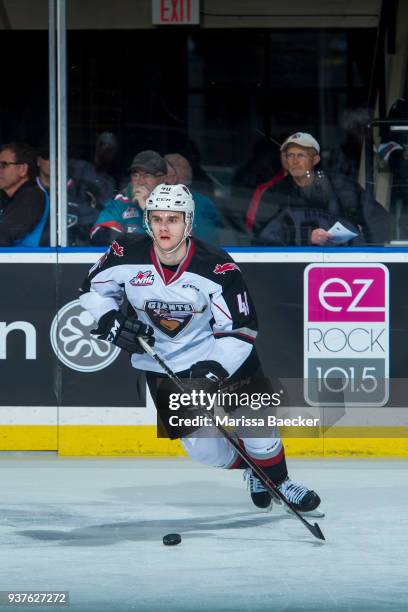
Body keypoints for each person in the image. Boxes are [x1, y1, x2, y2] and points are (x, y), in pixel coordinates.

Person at [79, 182, 321, 514]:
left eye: (173, 219)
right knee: (207, 452)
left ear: (188, 223)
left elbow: (240, 329)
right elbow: (92, 289)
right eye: (157, 218)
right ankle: (256, 472)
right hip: (162, 364)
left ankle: (281, 482)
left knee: (258, 428)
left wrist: (212, 371)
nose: (164, 227)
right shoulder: (124, 252)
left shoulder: (217, 266)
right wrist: (109, 319)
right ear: (148, 221)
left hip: (222, 359)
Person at [253, 132, 390, 246]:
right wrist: (307, 237)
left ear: (315, 159)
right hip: (294, 266)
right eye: (290, 155)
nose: (295, 161)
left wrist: (367, 252)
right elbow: (261, 235)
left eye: (301, 155)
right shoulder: (275, 191)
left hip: (343, 263)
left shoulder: (340, 186)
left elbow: (378, 220)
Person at [90, 150, 167, 245]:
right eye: (136, 175)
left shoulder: (178, 203)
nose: (140, 182)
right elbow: (100, 235)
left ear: (162, 179)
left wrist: (149, 210)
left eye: (147, 176)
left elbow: (177, 242)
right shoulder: (120, 203)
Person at [165, 153, 223, 244]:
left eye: (187, 167)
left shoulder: (203, 203)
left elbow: (213, 235)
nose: (189, 171)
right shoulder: (149, 200)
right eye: (181, 166)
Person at [0, 142, 49, 247]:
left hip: (26, 262)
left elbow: (4, 235)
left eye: (3, 165)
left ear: (22, 169)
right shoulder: (8, 197)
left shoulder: (33, 196)